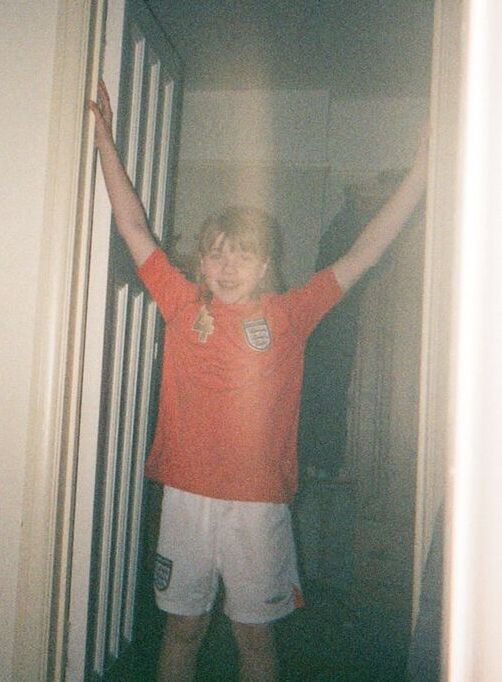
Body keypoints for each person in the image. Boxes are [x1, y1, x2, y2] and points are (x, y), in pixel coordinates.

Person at [89, 80, 429, 682]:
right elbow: (133, 225)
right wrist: (104, 139)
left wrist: (426, 167)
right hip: (186, 500)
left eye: (242, 254)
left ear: (265, 264)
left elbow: (367, 251)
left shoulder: (290, 314)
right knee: (183, 631)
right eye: (216, 253)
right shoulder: (179, 301)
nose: (226, 266)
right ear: (201, 261)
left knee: (255, 643)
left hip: (258, 506)